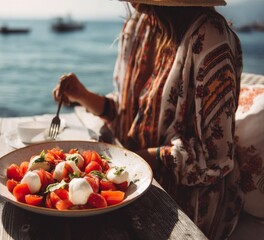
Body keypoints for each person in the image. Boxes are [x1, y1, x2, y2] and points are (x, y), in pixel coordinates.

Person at [52, 0, 243, 239]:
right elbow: (128, 116)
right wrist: (82, 95)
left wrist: (133, 161)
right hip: (128, 178)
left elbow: (216, 158)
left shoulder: (210, 38)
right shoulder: (139, 26)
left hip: (183, 200)